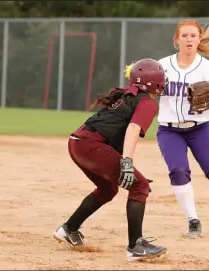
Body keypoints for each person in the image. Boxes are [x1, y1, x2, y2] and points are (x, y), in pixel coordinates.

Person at [53, 58, 168, 262]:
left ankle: (69, 229)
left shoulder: (126, 94)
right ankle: (136, 246)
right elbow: (132, 130)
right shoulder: (147, 103)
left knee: (108, 189)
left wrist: (125, 165)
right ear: (155, 82)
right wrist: (127, 163)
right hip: (91, 145)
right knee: (139, 186)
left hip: (77, 142)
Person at [156, 19, 209, 238]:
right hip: (169, 130)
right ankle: (192, 220)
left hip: (199, 129)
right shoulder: (162, 66)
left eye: (193, 36)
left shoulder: (207, 68)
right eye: (184, 36)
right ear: (176, 40)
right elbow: (146, 91)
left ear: (199, 39)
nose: (189, 40)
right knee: (178, 171)